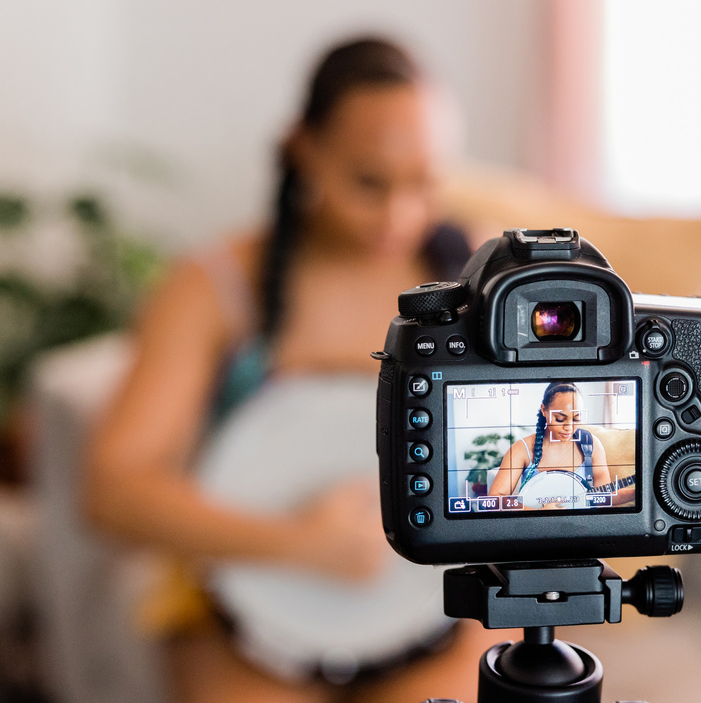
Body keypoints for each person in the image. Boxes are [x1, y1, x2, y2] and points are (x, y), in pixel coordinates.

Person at [85, 37, 503, 703]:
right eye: (369, 181)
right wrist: (297, 543)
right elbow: (115, 490)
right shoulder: (212, 288)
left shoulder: (479, 272)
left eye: (424, 182)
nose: (398, 215)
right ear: (302, 149)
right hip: (245, 630)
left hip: (437, 618)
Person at [488, 382, 636, 508]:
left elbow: (603, 498)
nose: (569, 427)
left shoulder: (591, 444)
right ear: (544, 410)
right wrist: (536, 513)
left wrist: (637, 492)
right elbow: (494, 499)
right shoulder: (522, 449)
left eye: (576, 418)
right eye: (560, 419)